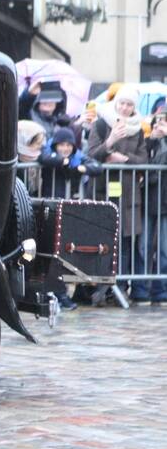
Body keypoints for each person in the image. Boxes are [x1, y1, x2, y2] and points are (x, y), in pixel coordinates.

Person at [85, 85, 149, 302]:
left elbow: (143, 161)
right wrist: (110, 141)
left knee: (125, 241)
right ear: (116, 103)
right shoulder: (101, 123)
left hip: (129, 196)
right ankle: (100, 286)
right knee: (102, 240)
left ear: (134, 108)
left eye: (129, 104)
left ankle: (119, 286)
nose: (124, 107)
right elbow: (91, 155)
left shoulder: (138, 129)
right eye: (122, 102)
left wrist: (124, 159)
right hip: (102, 191)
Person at [144, 112, 167, 304]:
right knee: (144, 246)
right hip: (147, 200)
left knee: (164, 248)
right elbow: (141, 159)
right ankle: (141, 288)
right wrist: (152, 139)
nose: (160, 125)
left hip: (165, 201)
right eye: (158, 122)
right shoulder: (148, 142)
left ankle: (160, 289)